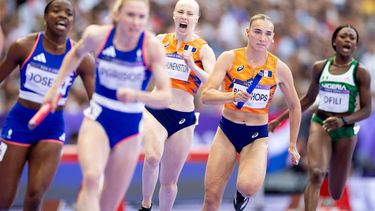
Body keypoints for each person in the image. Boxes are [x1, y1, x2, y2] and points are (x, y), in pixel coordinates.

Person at [44, 0, 171, 211]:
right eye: (130, 15)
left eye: (141, 17)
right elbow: (75, 55)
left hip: (129, 128)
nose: (136, 22)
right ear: (117, 14)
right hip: (98, 118)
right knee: (92, 179)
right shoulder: (98, 35)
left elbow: (166, 96)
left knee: (108, 205)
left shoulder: (151, 46)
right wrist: (54, 88)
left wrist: (137, 95)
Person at [200, 14, 302, 211]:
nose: (262, 38)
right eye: (257, 32)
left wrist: (292, 144)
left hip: (256, 136)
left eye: (267, 34)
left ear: (273, 39)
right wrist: (232, 96)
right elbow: (206, 96)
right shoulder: (229, 58)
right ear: (247, 33)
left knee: (247, 186)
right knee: (211, 197)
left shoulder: (279, 68)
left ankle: (242, 195)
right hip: (227, 132)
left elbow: (295, 106)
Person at [0, 0, 95, 210]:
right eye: (56, 11)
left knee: (35, 195)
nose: (63, 15)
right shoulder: (23, 46)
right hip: (19, 123)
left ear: (72, 21)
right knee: (3, 198)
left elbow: (97, 101)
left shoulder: (81, 58)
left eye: (68, 13)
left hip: (52, 127)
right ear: (45, 17)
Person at [269, 24, 371, 211]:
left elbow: (367, 110)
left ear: (355, 45)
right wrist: (279, 119)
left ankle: (333, 197)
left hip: (346, 130)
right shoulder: (320, 67)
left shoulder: (361, 72)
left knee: (336, 191)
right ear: (334, 41)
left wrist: (343, 121)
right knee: (316, 174)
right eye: (343, 36)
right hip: (321, 123)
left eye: (352, 38)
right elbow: (307, 99)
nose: (348, 40)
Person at [139, 1, 216, 210]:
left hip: (183, 118)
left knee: (169, 181)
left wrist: (192, 65)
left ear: (196, 19)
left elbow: (214, 83)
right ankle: (145, 205)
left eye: (190, 13)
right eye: (180, 12)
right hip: (156, 110)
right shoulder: (159, 40)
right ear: (174, 16)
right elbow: (143, 67)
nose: (184, 16)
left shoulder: (204, 50)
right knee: (152, 156)